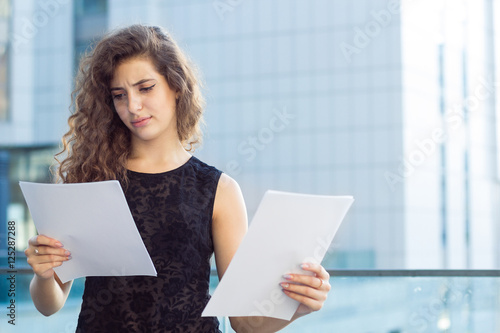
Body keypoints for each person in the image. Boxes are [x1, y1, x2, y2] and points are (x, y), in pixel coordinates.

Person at [24, 24, 331, 332]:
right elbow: (49, 304)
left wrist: (297, 307)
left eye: (145, 88)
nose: (133, 106)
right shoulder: (91, 180)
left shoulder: (219, 191)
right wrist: (44, 274)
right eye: (120, 95)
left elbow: (243, 321)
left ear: (176, 85)